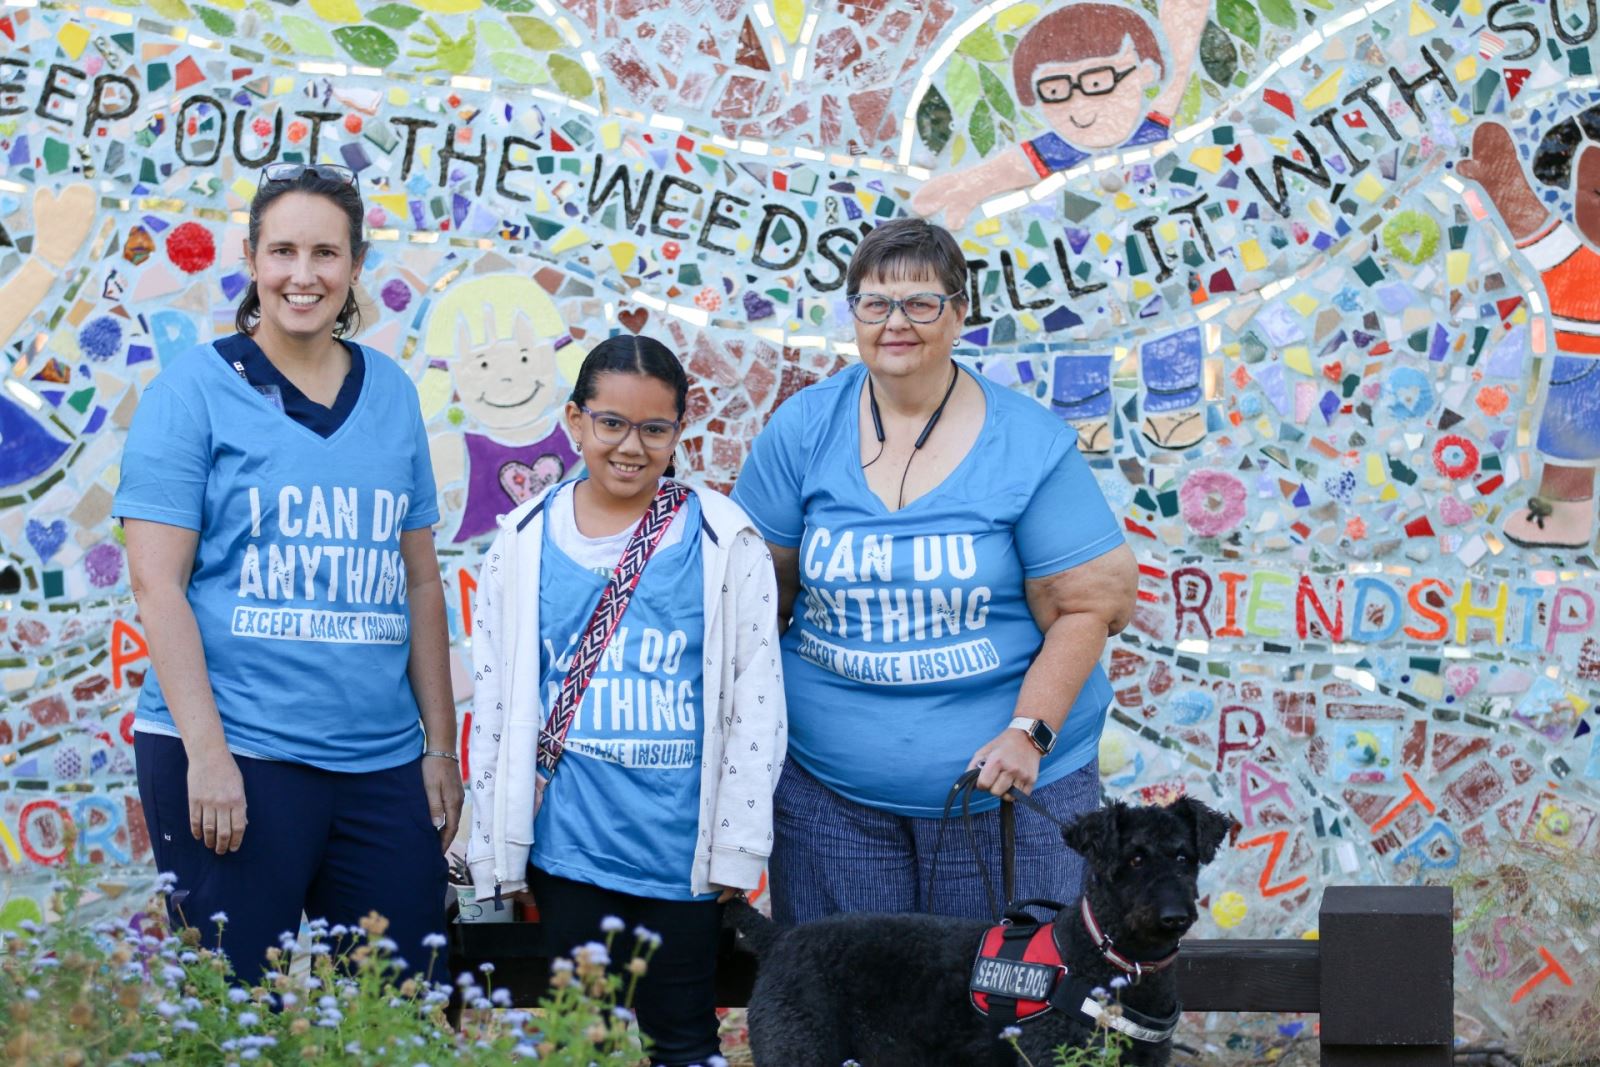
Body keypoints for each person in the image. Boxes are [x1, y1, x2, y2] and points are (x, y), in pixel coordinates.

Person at [731, 216, 1139, 924]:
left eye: (921, 303)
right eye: (875, 302)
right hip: (829, 799)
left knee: (1005, 1019)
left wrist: (1029, 732)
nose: (897, 322)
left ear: (959, 314)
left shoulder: (1027, 443)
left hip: (1007, 795)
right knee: (846, 1012)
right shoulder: (801, 430)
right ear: (854, 313)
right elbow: (757, 590)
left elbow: (1089, 605)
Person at [114, 162, 460, 981]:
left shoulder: (393, 393)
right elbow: (156, 585)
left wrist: (439, 748)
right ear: (251, 259)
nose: (302, 275)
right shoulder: (192, 392)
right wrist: (208, 753)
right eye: (283, 252)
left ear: (354, 266)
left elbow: (418, 581)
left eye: (325, 254)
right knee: (233, 1015)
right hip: (236, 753)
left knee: (398, 1008)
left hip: (378, 764)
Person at [467, 335, 786, 1067]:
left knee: (682, 1038)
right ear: (576, 421)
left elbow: (756, 702)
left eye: (653, 428)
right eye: (610, 423)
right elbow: (496, 696)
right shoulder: (522, 539)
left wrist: (737, 848)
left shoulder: (723, 538)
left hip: (681, 855)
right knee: (585, 1039)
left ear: (680, 429)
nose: (630, 446)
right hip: (569, 851)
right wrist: (493, 832)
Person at [911, 0, 1210, 230]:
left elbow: (1180, 63)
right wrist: (973, 183)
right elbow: (1015, 166)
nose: (1078, 105)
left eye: (1097, 82)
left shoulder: (1153, 127)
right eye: (1054, 90)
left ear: (1145, 72)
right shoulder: (1059, 148)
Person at [1461, 110, 1600, 549]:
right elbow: (1529, 223)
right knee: (1571, 435)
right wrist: (1499, 176)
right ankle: (1566, 514)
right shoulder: (1575, 264)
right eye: (1596, 192)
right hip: (1581, 369)